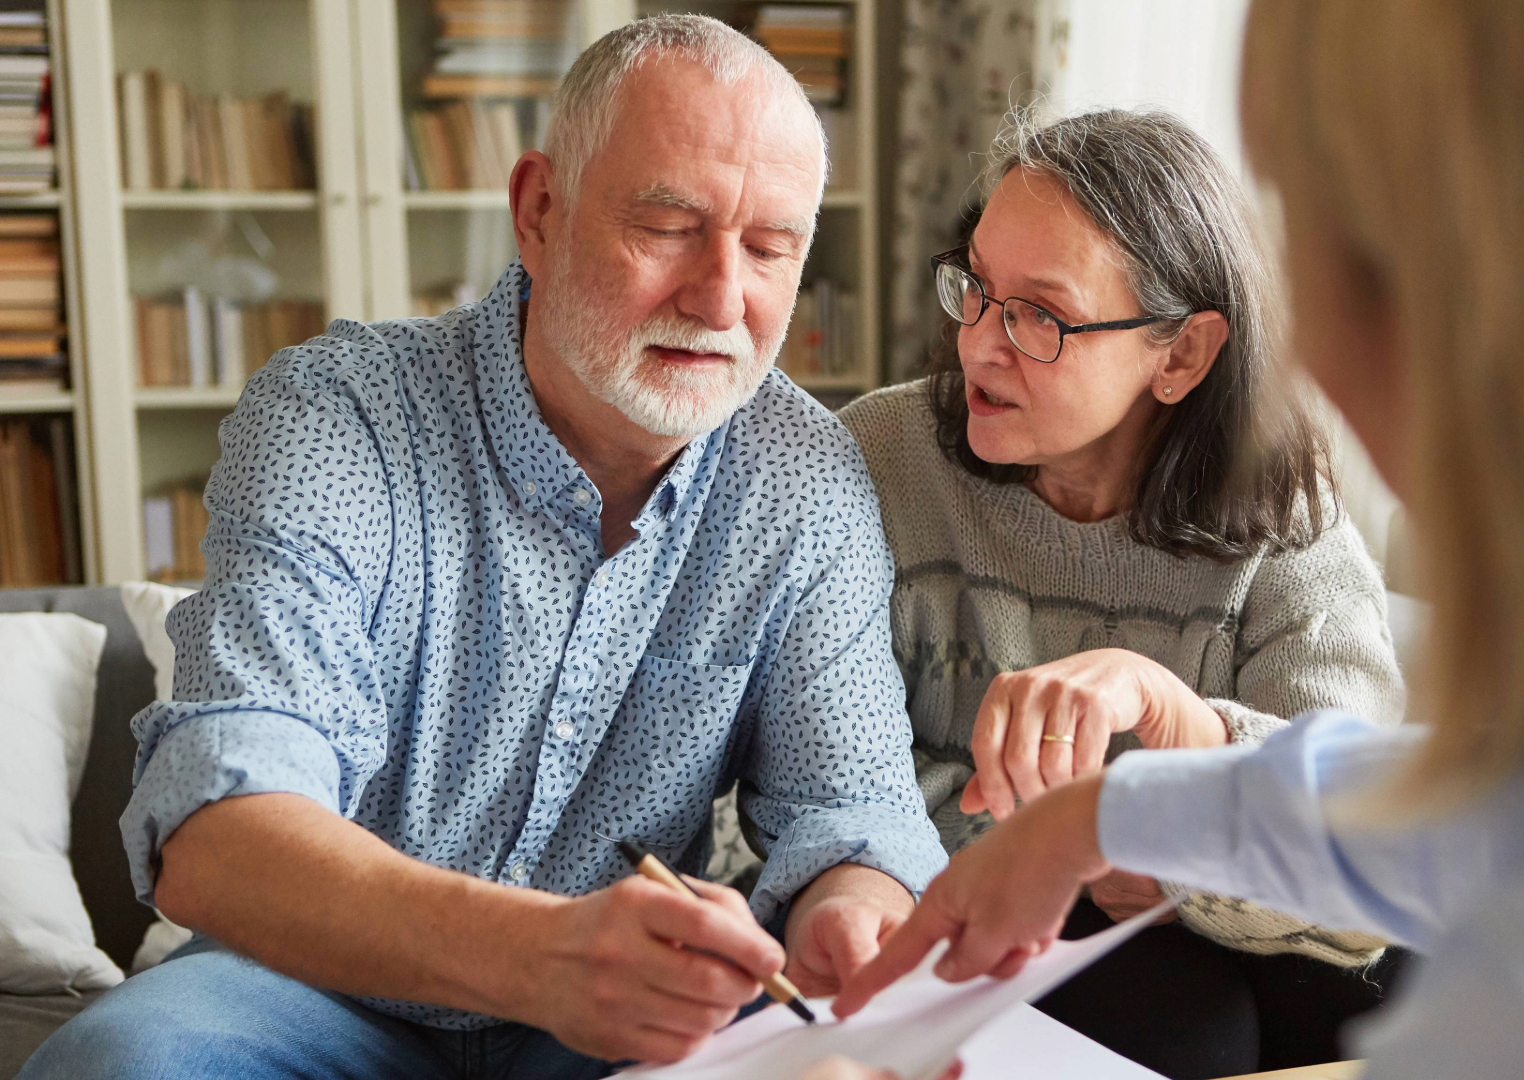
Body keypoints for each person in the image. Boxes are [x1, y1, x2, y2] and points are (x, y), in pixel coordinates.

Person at [835, 2, 1524, 1078]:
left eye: (1324, 234)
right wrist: (1112, 815)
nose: (1306, 335)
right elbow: (1479, 807)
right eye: (976, 289)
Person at [22, 15, 946, 1080]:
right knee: (113, 1068)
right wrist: (536, 955)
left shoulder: (805, 477)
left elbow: (855, 812)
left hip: (614, 1027)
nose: (721, 297)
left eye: (772, 248)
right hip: (301, 988)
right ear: (539, 211)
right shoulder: (339, 416)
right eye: (667, 226)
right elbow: (216, 829)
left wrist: (853, 917)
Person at [836, 108, 1406, 1077]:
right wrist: (1084, 843)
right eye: (975, 289)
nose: (979, 343)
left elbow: (1365, 836)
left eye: (1040, 317)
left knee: (1387, 998)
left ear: (1179, 356)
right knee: (1190, 1023)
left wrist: (1179, 786)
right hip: (973, 908)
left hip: (1220, 925)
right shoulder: (875, 461)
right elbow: (830, 778)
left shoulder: (1282, 504)